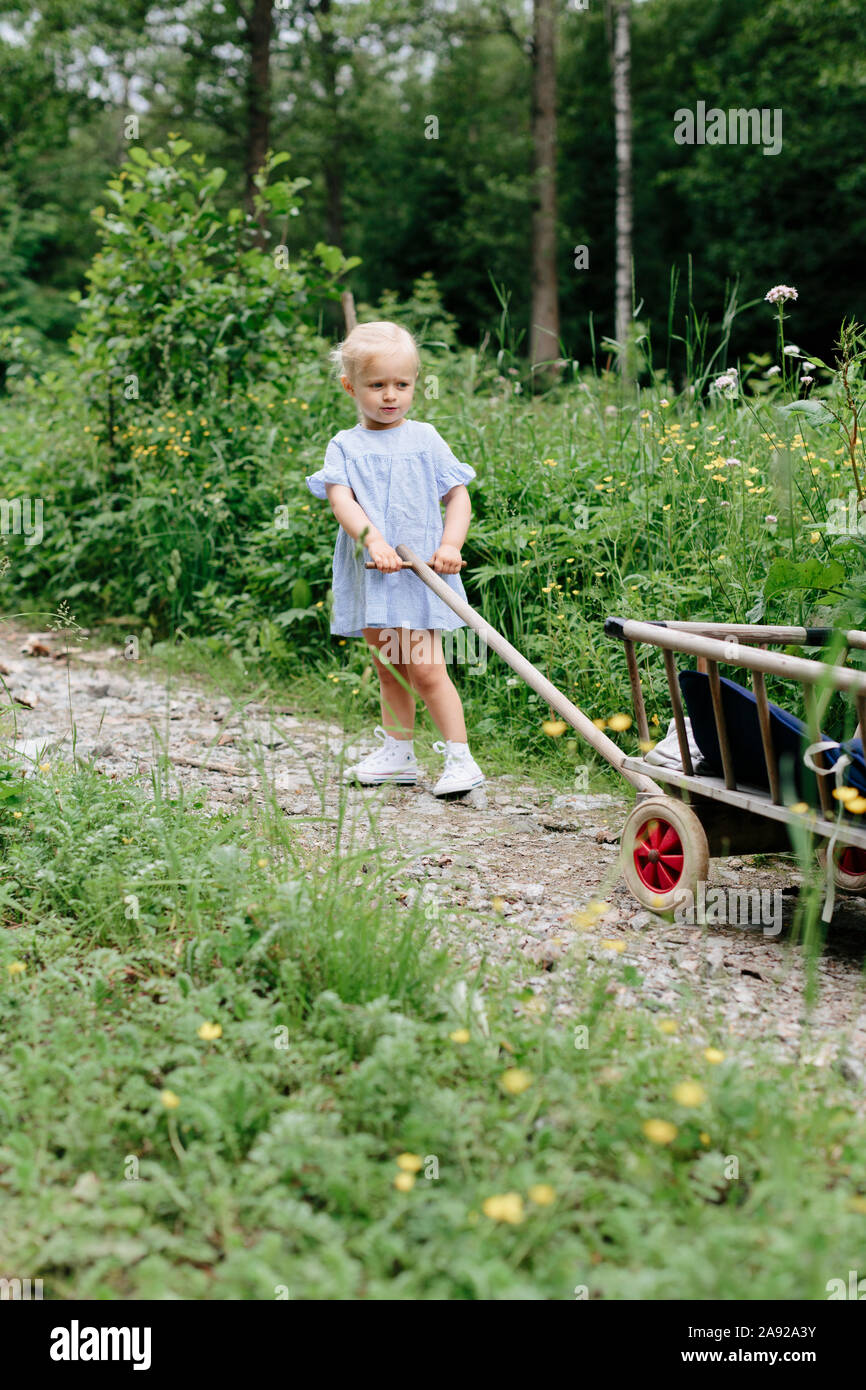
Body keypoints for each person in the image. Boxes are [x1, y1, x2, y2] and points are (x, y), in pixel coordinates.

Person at [305, 320, 485, 795]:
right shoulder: (345, 445)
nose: (391, 395)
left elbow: (458, 496)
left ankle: (460, 758)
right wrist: (373, 541)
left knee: (426, 667)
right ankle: (399, 754)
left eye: (401, 385)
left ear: (414, 384)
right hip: (375, 570)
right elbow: (342, 500)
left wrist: (450, 546)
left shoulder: (425, 439)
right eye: (377, 385)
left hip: (418, 571)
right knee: (389, 664)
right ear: (350, 386)